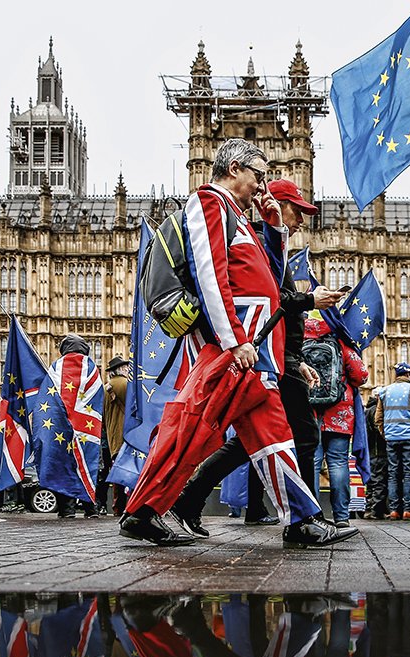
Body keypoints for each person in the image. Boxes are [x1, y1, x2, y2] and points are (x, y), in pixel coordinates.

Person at [119, 139, 357, 549]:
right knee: (192, 429)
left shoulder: (239, 217)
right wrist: (233, 341)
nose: (262, 185)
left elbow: (270, 279)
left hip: (255, 347)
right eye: (258, 175)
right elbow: (211, 274)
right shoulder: (209, 203)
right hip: (236, 347)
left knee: (271, 435)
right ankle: (142, 511)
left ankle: (301, 520)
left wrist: (276, 228)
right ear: (233, 168)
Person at [170, 178, 347, 536]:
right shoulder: (255, 243)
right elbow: (272, 300)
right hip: (259, 355)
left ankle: (189, 500)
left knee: (249, 441)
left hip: (277, 356)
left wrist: (295, 357)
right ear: (278, 205)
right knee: (302, 435)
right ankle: (305, 521)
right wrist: (312, 300)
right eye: (297, 211)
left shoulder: (271, 246)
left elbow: (277, 305)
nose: (301, 221)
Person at [305, 317, 369, 527]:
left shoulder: (299, 343)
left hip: (309, 412)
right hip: (339, 413)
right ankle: (341, 517)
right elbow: (360, 375)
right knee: (338, 463)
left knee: (312, 464)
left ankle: (313, 516)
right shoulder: (340, 342)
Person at [38, 333, 102, 520]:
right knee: (86, 463)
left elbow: (47, 398)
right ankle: (91, 509)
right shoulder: (92, 368)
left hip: (60, 427)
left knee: (63, 464)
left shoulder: (56, 367)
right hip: (87, 427)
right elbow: (98, 398)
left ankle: (67, 509)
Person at [374, 362, 410, 520]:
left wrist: (386, 434)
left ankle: (393, 510)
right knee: (408, 473)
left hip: (391, 438)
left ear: (396, 375)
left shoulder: (384, 391)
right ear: (409, 375)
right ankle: (407, 509)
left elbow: (378, 418)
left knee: (392, 474)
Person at [102, 355, 130, 516]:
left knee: (118, 474)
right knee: (130, 472)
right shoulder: (125, 385)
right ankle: (130, 506)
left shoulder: (107, 387)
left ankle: (117, 507)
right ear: (121, 370)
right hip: (126, 436)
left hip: (113, 437)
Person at [363, 389, 388, 520]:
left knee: (371, 481)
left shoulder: (367, 410)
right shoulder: (375, 411)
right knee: (379, 480)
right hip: (379, 451)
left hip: (370, 451)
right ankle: (376, 511)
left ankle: (368, 509)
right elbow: (379, 430)